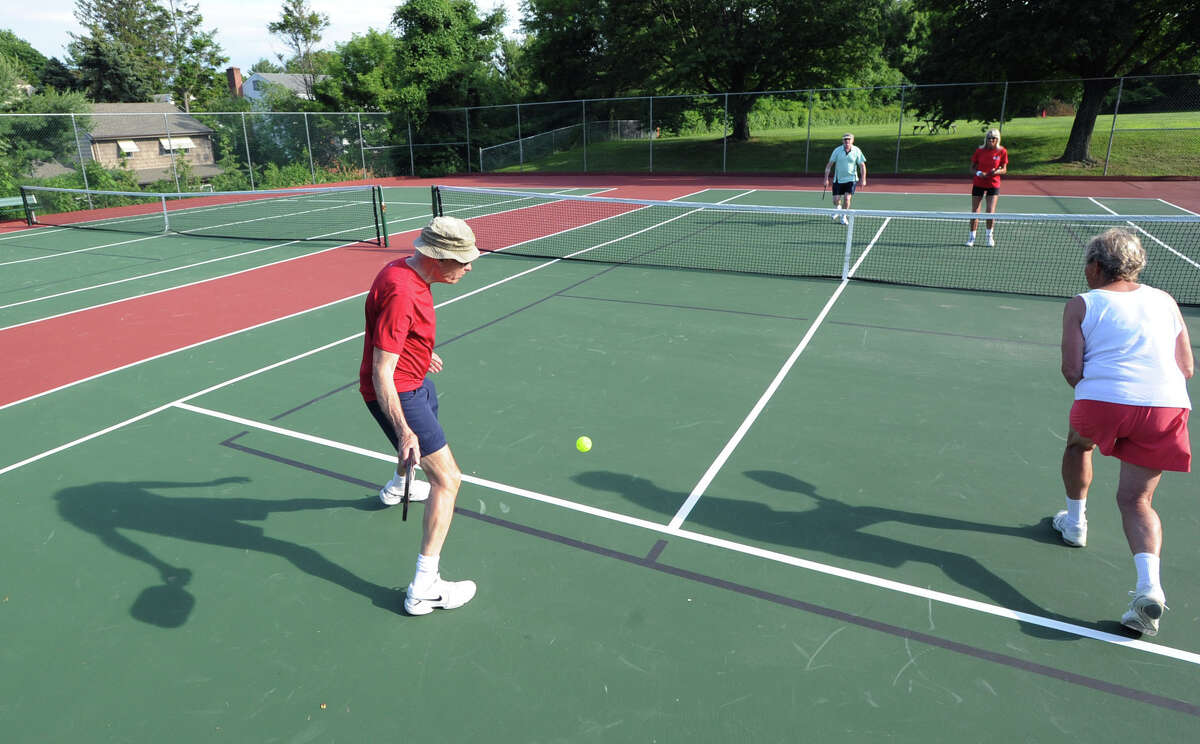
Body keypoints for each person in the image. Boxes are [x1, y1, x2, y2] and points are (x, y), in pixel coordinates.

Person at [1055, 228, 1193, 636]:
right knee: (1137, 501)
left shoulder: (1082, 303)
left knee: (1079, 446)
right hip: (1167, 406)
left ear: (1096, 267)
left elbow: (1072, 371)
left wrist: (1102, 401)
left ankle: (1075, 523)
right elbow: (1186, 367)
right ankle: (1149, 588)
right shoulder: (1166, 300)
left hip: (1104, 401)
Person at [359, 215, 480, 616]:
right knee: (448, 480)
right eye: (462, 261)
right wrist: (403, 430)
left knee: (423, 456)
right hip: (398, 392)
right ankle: (424, 587)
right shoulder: (403, 293)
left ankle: (399, 485)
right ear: (438, 258)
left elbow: (393, 336)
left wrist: (421, 352)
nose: (468, 267)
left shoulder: (403, 271)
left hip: (415, 378)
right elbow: (381, 373)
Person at [966, 128, 1007, 247]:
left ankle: (989, 237)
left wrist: (996, 171)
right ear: (986, 139)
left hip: (993, 184)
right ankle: (971, 238)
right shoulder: (979, 151)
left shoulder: (1002, 151)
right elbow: (971, 168)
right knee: (975, 212)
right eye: (989, 138)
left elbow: (1004, 169)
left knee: (990, 212)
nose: (991, 140)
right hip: (979, 183)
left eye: (993, 138)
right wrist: (979, 173)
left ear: (997, 139)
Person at [823, 133, 866, 226]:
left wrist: (863, 179)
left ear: (852, 140)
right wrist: (826, 179)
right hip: (838, 179)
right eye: (845, 139)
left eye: (849, 139)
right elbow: (829, 166)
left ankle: (843, 216)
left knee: (847, 198)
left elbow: (862, 166)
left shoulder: (857, 151)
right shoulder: (837, 151)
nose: (847, 141)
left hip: (851, 179)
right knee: (836, 200)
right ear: (842, 141)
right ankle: (838, 209)